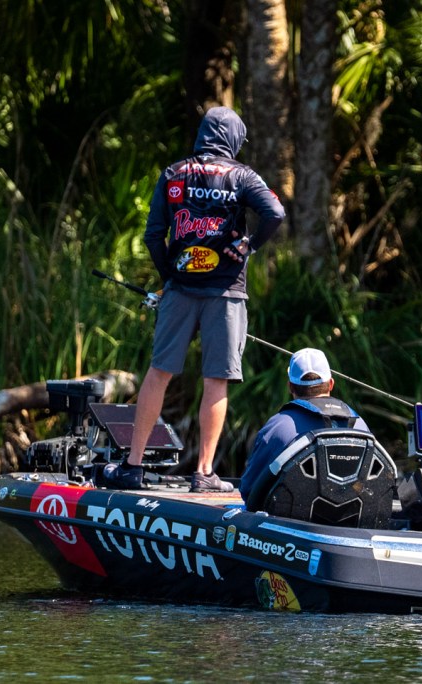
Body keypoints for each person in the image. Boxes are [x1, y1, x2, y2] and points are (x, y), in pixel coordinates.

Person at [104, 106, 285, 492]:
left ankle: (132, 467)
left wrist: (169, 278)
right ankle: (203, 473)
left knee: (158, 372)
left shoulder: (173, 174)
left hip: (180, 289)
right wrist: (249, 245)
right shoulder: (242, 175)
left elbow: (154, 235)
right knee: (216, 380)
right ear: (233, 140)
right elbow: (274, 211)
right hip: (226, 292)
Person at [239, 347, 371, 502]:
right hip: (351, 515)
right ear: (331, 384)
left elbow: (248, 489)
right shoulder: (360, 425)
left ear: (290, 386)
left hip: (291, 514)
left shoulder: (277, 427)